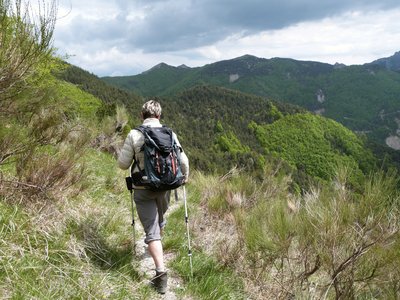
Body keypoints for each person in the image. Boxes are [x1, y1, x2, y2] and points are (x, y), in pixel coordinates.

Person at [117, 100, 189, 294]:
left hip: (142, 187)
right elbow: (183, 160)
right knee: (160, 219)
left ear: (142, 115)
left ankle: (160, 273)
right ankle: (156, 243)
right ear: (159, 116)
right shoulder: (170, 133)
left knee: (151, 229)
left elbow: (123, 165)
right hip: (165, 186)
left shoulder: (134, 134)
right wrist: (184, 178)